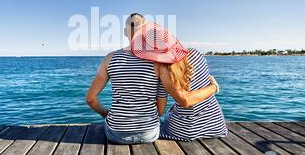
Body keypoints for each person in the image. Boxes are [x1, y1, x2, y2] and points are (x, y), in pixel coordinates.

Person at [85, 13, 219, 144]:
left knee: (111, 123)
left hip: (116, 134)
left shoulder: (110, 58)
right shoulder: (158, 62)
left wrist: (105, 113)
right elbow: (160, 111)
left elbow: (90, 99)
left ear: (125, 32)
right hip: (149, 134)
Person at [131, 22, 228, 141]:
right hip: (215, 125)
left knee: (161, 121)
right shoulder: (196, 54)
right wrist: (213, 87)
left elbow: (185, 101)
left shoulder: (163, 70)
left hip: (186, 131)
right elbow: (195, 87)